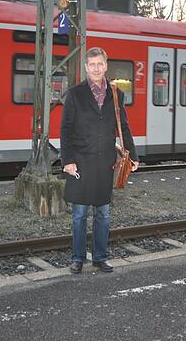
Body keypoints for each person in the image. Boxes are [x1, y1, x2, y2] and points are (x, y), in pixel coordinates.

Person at [60, 47, 138, 274]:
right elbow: (65, 129)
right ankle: (78, 258)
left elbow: (123, 126)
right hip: (80, 163)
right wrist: (68, 159)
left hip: (105, 162)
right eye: (91, 64)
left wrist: (132, 155)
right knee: (80, 215)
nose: (96, 68)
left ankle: (101, 257)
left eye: (99, 64)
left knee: (103, 214)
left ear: (106, 66)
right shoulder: (75, 94)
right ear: (86, 67)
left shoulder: (116, 94)